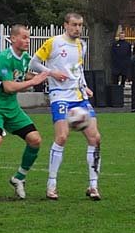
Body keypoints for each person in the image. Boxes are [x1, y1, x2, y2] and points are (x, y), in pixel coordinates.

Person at [0, 25, 50, 200]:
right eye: (24, 37)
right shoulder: (4, 57)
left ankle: (18, 178)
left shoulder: (25, 57)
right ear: (13, 39)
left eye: (29, 37)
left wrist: (48, 76)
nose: (27, 41)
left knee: (35, 140)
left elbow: (23, 75)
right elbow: (9, 86)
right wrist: (34, 81)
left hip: (12, 108)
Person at [30, 12, 102, 201]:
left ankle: (93, 186)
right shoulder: (54, 42)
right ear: (65, 25)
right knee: (62, 137)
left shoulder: (81, 45)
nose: (78, 28)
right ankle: (51, 185)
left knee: (95, 138)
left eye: (80, 25)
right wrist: (52, 73)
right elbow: (34, 63)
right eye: (74, 25)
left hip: (78, 96)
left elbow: (77, 69)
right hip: (60, 96)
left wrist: (85, 86)